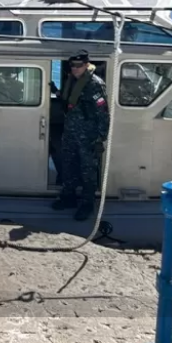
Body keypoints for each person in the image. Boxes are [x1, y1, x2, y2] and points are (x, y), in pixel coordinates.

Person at [52, 50, 110, 222]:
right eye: (72, 65)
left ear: (86, 65)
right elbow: (68, 100)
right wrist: (56, 91)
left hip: (88, 136)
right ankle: (68, 197)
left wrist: (101, 138)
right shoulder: (72, 81)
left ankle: (87, 204)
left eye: (79, 65)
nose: (75, 69)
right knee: (68, 165)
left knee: (87, 171)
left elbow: (104, 113)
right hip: (70, 132)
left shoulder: (95, 84)